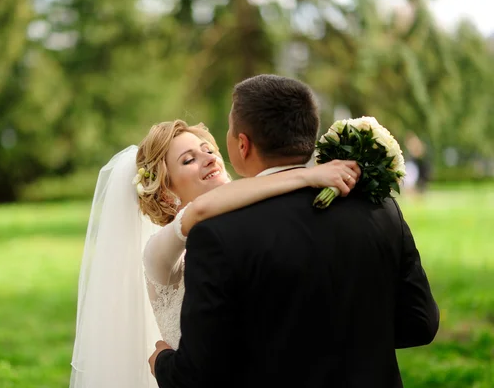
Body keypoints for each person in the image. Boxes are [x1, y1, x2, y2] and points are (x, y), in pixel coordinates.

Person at [149, 75, 440, 388]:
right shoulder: (381, 209)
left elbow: (197, 376)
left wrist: (161, 361)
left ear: (242, 145)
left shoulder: (218, 236)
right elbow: (420, 323)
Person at [70, 118, 361, 388]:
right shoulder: (158, 251)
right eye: (188, 160)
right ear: (166, 189)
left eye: (208, 150)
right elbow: (199, 209)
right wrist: (307, 176)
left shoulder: (249, 224)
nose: (208, 158)